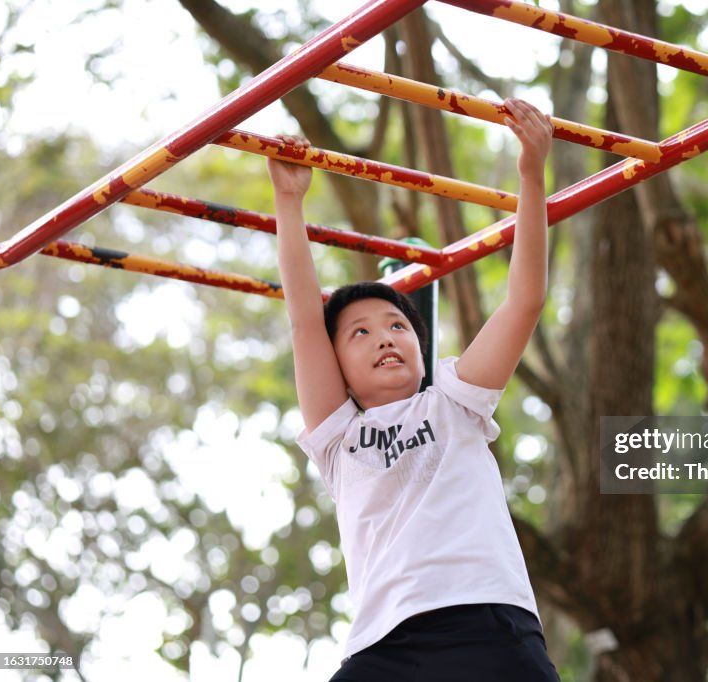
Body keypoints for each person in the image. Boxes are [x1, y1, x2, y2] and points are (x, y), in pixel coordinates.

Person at [268, 98, 559, 682]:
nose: (385, 338)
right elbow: (304, 320)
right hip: (388, 643)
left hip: (488, 622)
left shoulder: (454, 400)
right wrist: (289, 202)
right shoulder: (338, 436)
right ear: (338, 365)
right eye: (361, 332)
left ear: (421, 348)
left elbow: (523, 302)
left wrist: (531, 173)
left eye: (399, 326)